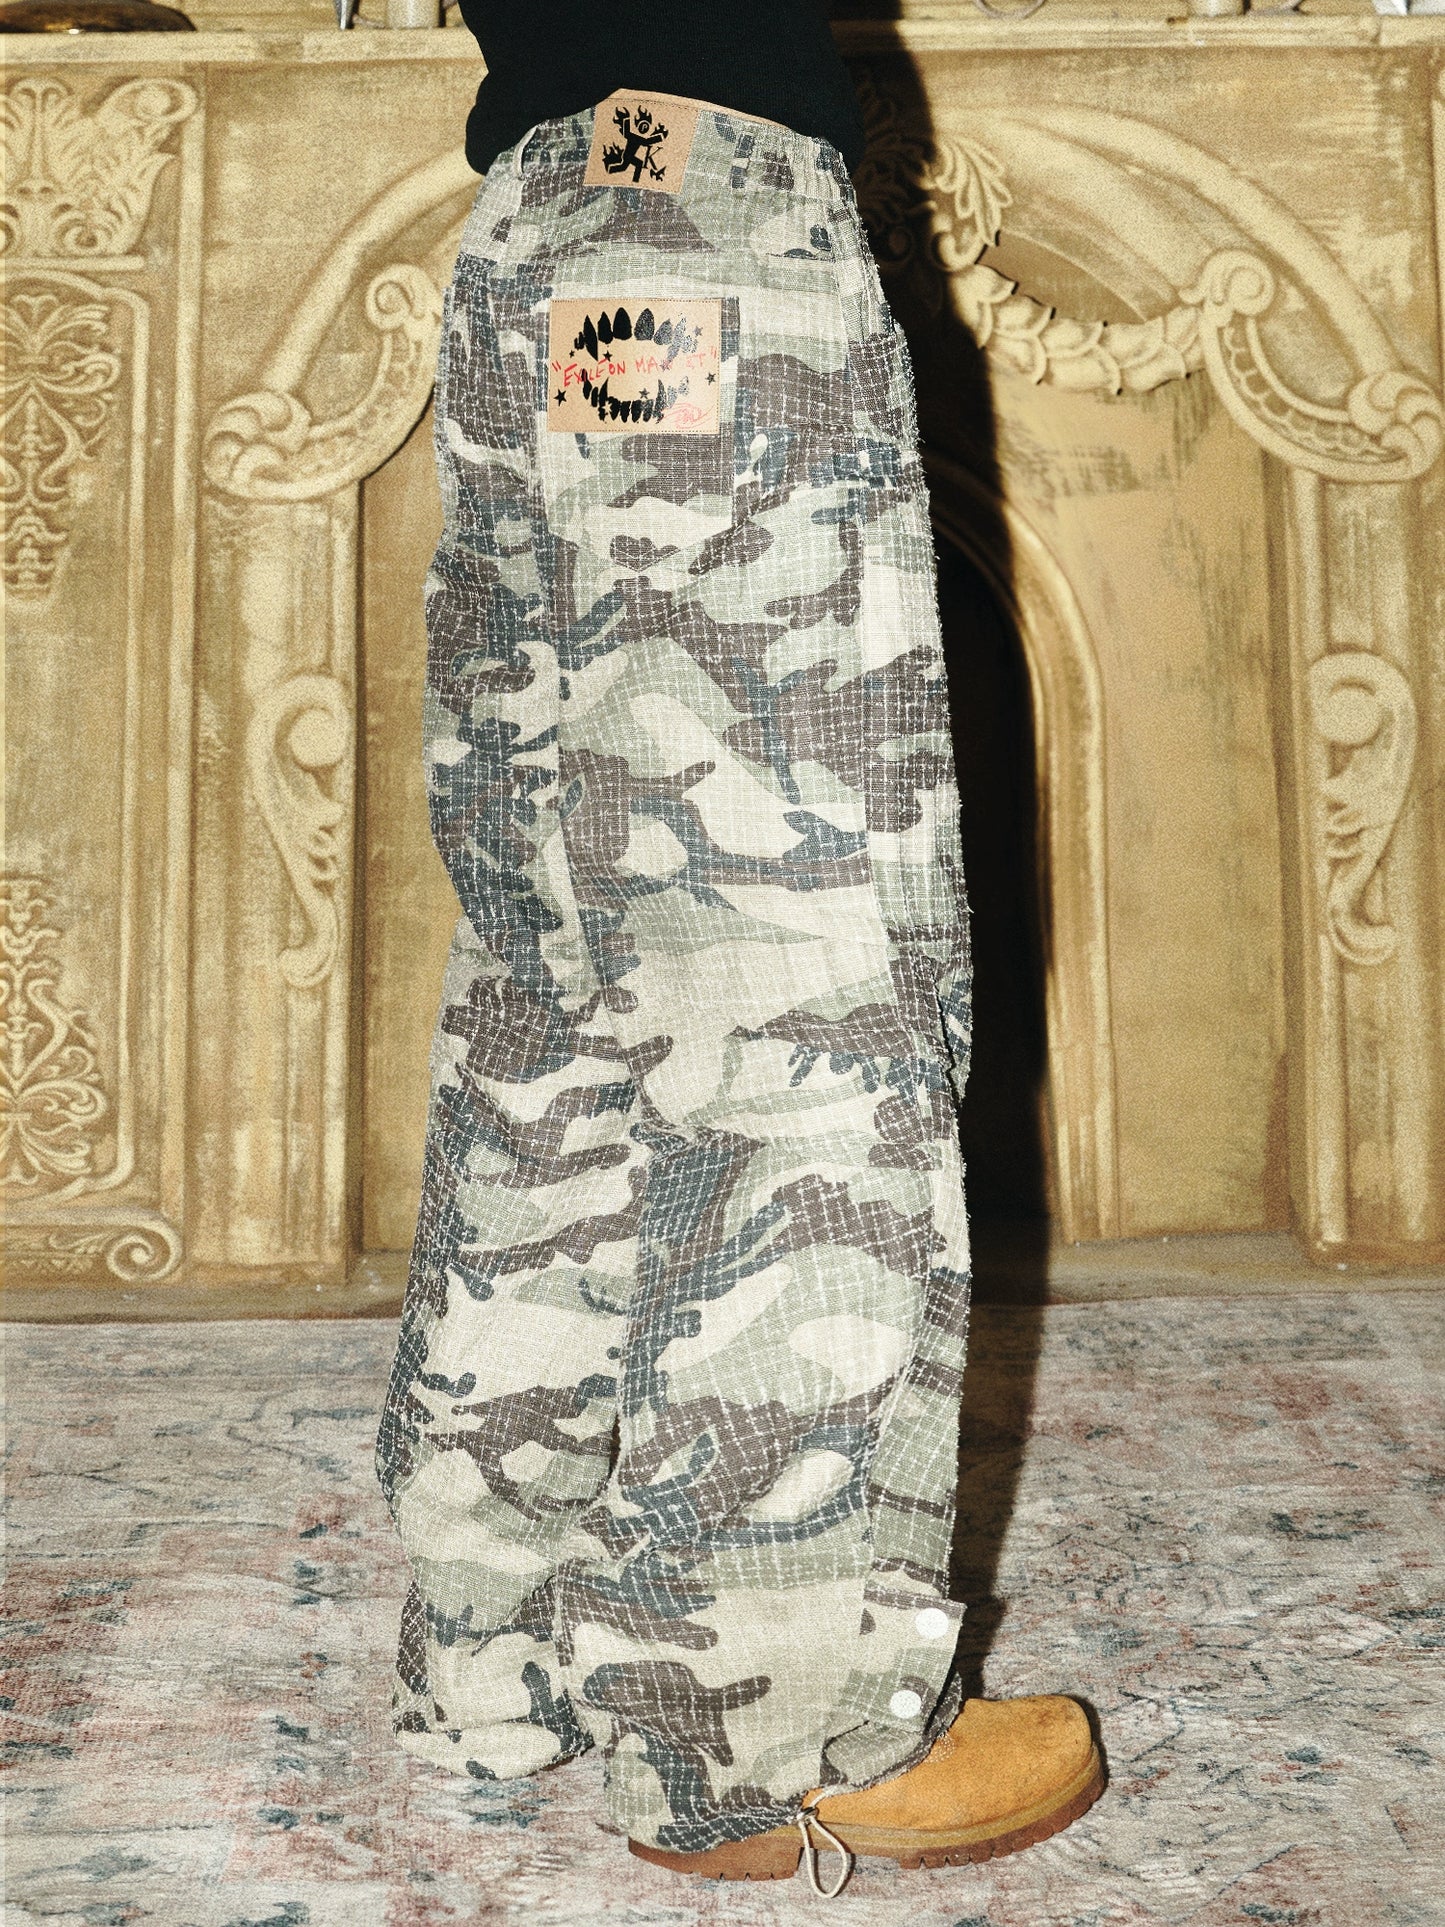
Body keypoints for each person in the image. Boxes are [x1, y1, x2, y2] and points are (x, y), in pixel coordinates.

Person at [375, 0, 1102, 1892]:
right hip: (701, 213)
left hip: (546, 212)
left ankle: (500, 1642)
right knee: (795, 987)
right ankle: (770, 1723)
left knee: (561, 976)